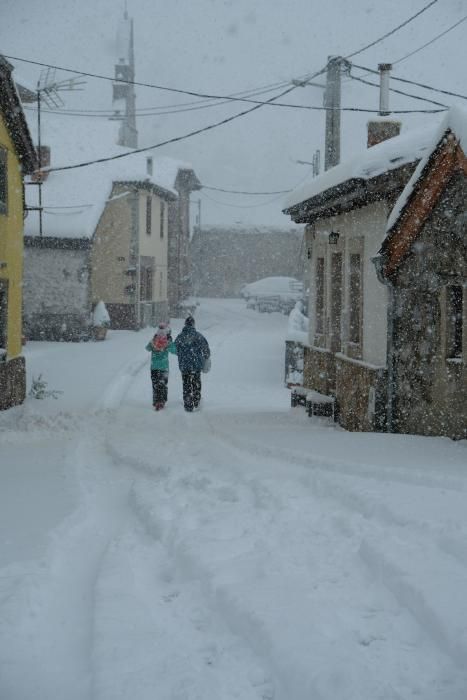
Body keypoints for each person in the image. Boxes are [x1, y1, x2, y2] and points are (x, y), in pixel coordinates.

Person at [174, 315, 210, 412]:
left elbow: (174, 349)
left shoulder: (180, 336)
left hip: (184, 366)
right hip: (196, 365)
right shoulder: (198, 336)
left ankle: (188, 404)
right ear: (193, 324)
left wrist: (182, 355)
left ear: (185, 324)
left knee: (186, 385)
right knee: (196, 383)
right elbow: (206, 349)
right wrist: (206, 357)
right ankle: (197, 402)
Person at [145, 322, 177, 410]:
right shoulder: (167, 341)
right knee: (163, 384)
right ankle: (162, 401)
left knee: (155, 384)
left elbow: (147, 348)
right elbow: (175, 351)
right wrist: (170, 342)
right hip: (164, 367)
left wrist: (153, 340)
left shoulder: (154, 340)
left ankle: (156, 402)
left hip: (154, 367)